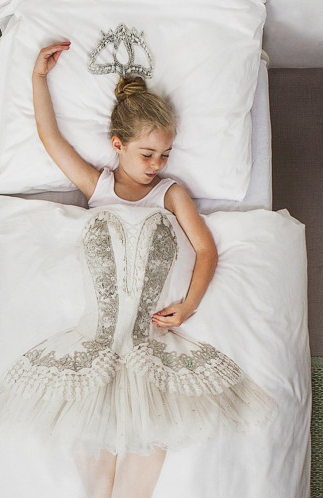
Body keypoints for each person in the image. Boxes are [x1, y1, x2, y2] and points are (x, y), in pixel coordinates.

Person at [28, 41, 277, 498]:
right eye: (147, 154)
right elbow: (50, 138)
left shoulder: (170, 193)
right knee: (95, 462)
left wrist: (190, 305)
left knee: (141, 461)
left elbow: (205, 250)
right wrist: (39, 77)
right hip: (98, 337)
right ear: (117, 145)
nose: (157, 164)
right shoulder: (98, 188)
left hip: (149, 337)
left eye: (165, 154)